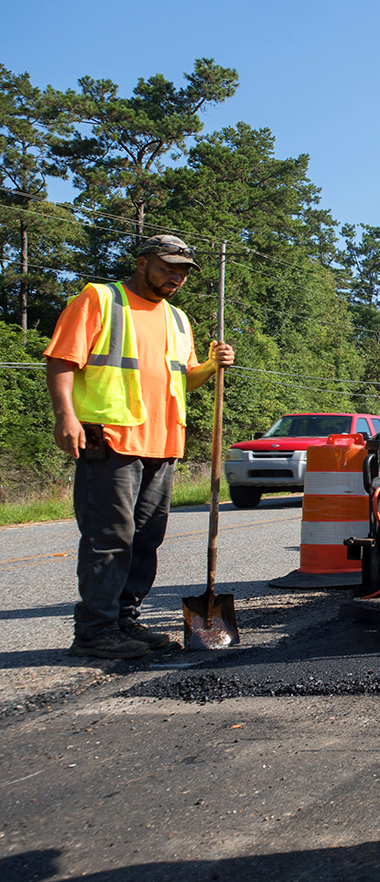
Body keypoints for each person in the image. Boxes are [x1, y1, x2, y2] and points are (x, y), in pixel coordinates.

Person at [44, 235, 234, 660]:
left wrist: (210, 366)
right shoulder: (101, 300)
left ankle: (124, 621)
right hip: (110, 438)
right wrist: (66, 416)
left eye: (183, 272)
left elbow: (182, 378)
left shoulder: (178, 320)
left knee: (147, 537)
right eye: (168, 267)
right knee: (110, 536)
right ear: (143, 262)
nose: (176, 277)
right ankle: (95, 631)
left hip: (162, 442)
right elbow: (61, 358)